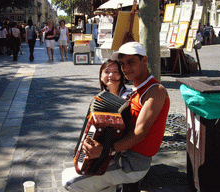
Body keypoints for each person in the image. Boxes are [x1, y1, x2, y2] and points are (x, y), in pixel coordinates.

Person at [62, 42, 170, 192]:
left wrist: (105, 150)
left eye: (131, 62)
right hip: (121, 156)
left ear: (144, 60)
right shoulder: (135, 90)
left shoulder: (155, 90)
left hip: (132, 164)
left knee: (70, 182)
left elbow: (140, 133)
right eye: (123, 63)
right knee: (73, 171)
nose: (125, 68)